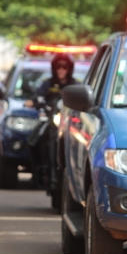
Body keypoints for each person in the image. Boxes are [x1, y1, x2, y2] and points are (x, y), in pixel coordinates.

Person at [25, 53, 79, 186]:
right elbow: (37, 95)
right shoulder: (48, 83)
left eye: (64, 67)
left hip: (69, 121)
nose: (61, 69)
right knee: (34, 139)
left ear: (69, 69)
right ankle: (38, 171)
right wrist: (32, 101)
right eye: (58, 66)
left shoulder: (75, 84)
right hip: (52, 119)